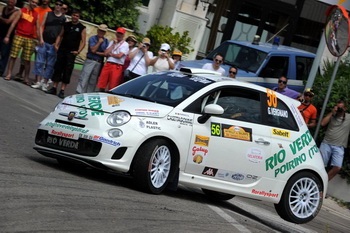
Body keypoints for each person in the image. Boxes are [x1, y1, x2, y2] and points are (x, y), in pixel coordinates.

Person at [47, 10, 86, 98]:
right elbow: (60, 35)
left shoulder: (82, 28)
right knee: (58, 68)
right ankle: (54, 87)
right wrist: (56, 45)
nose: (75, 17)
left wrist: (78, 51)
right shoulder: (66, 25)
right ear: (71, 15)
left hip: (71, 53)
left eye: (77, 16)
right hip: (62, 50)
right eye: (74, 15)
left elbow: (83, 42)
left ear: (79, 18)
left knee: (67, 71)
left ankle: (62, 90)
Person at [31, 0, 66, 91]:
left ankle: (45, 82)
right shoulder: (48, 14)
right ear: (54, 5)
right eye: (57, 4)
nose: (58, 6)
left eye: (60, 5)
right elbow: (41, 26)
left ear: (62, 7)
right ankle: (38, 81)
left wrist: (57, 43)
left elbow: (61, 34)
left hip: (53, 44)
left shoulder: (63, 18)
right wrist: (41, 39)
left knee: (50, 64)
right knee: (39, 62)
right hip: (44, 41)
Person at [2, 0, 39, 85]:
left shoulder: (36, 14)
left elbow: (37, 28)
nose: (34, 4)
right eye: (33, 2)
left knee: (27, 59)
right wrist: (7, 36)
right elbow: (13, 23)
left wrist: (38, 39)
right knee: (13, 56)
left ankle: (26, 77)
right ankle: (9, 73)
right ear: (30, 1)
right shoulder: (22, 10)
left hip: (29, 38)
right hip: (19, 35)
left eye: (36, 3)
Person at [14, 0, 52, 81]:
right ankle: (20, 74)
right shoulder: (36, 8)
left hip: (41, 39)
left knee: (39, 60)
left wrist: (41, 38)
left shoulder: (50, 12)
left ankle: (36, 79)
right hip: (31, 36)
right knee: (25, 57)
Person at [320, 100, 350, 181]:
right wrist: (332, 112)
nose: (339, 109)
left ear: (345, 108)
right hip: (326, 143)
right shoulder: (332, 115)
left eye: (341, 108)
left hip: (340, 146)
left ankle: (323, 183)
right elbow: (322, 123)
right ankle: (318, 183)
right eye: (338, 107)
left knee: (337, 167)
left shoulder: (348, 117)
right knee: (321, 166)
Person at [76, 24, 109, 94]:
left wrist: (97, 53)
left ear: (105, 33)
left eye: (103, 31)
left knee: (93, 81)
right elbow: (93, 50)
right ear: (97, 30)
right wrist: (99, 42)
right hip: (90, 60)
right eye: (100, 30)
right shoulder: (92, 38)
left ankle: (88, 95)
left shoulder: (106, 41)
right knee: (84, 77)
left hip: (99, 62)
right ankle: (79, 93)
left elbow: (106, 53)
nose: (101, 32)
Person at [97, 27, 128, 91]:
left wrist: (111, 54)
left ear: (123, 35)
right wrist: (113, 44)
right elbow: (106, 53)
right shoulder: (112, 42)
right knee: (102, 83)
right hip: (108, 63)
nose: (119, 35)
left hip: (117, 66)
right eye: (118, 33)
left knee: (113, 85)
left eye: (121, 34)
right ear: (116, 33)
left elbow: (119, 56)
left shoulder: (125, 44)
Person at [0, 0, 19, 77]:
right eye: (9, 2)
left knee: (4, 54)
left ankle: (1, 70)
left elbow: (8, 21)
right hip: (0, 33)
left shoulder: (16, 12)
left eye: (12, 2)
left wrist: (0, 18)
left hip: (8, 36)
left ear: (15, 3)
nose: (10, 3)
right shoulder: (4, 8)